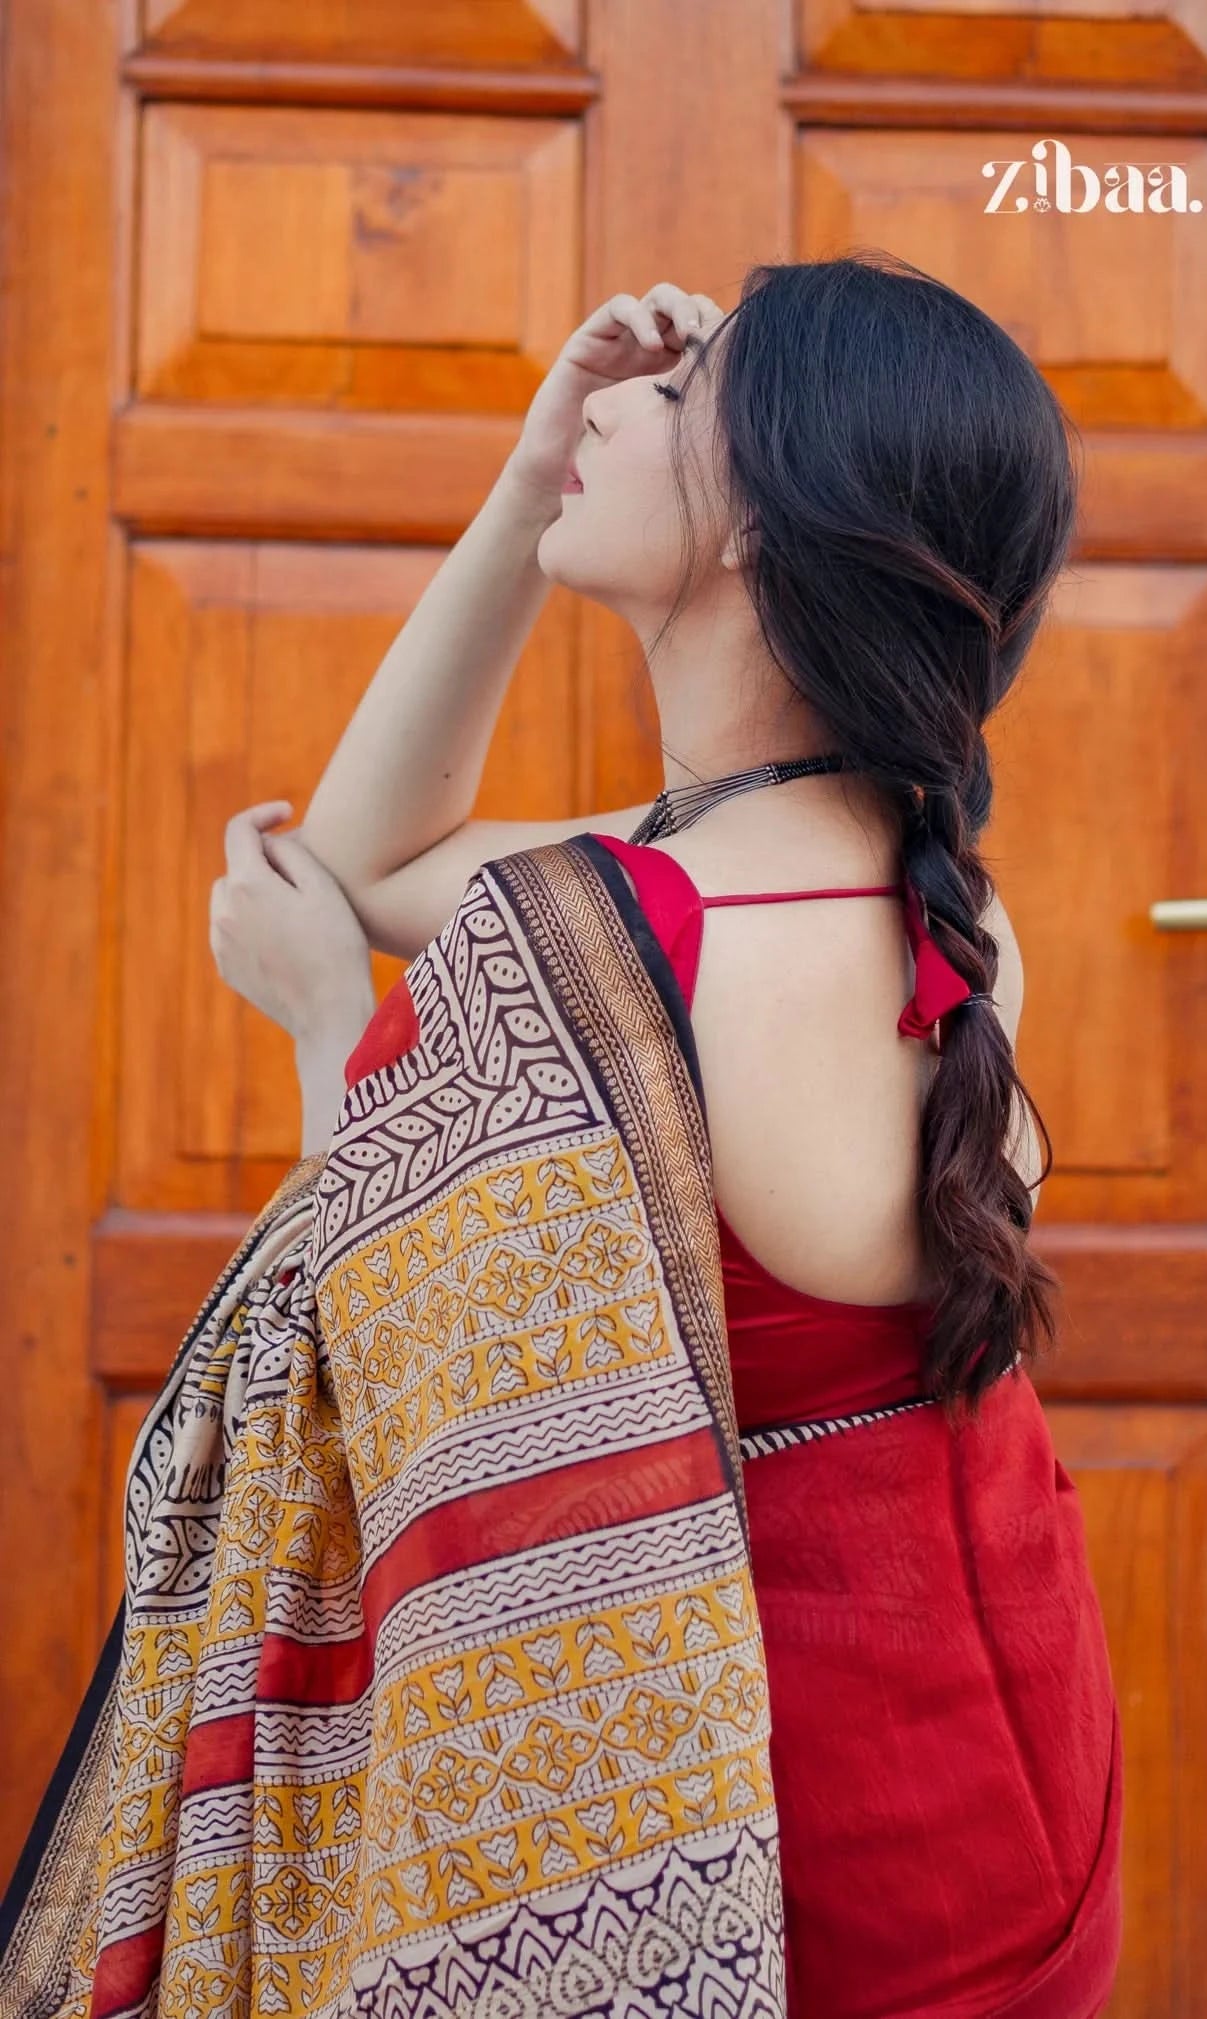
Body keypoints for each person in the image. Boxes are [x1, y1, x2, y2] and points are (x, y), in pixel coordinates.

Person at [0, 260, 1121, 2019]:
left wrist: (319, 1017)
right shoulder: (930, 902)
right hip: (1005, 1751)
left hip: (758, 1822)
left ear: (762, 524)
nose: (604, 398)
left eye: (670, 401)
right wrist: (541, 474)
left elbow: (386, 1384)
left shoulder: (611, 947)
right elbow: (376, 857)